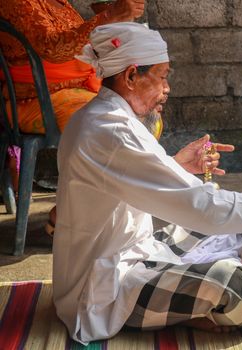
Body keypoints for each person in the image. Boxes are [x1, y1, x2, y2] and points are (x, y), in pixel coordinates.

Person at [53, 22, 242, 344]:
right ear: (131, 76)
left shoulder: (102, 117)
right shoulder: (111, 130)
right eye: (162, 76)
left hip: (132, 250)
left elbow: (124, 184)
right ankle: (191, 300)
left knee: (231, 226)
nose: (167, 87)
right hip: (103, 289)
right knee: (235, 284)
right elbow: (204, 207)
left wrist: (176, 166)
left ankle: (189, 294)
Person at [0, 0, 146, 232]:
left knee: (142, 105)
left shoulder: (59, 4)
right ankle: (73, 214)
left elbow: (85, 44)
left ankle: (92, 212)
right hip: (36, 99)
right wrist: (110, 15)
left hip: (77, 89)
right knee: (108, 121)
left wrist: (116, 19)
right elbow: (54, 49)